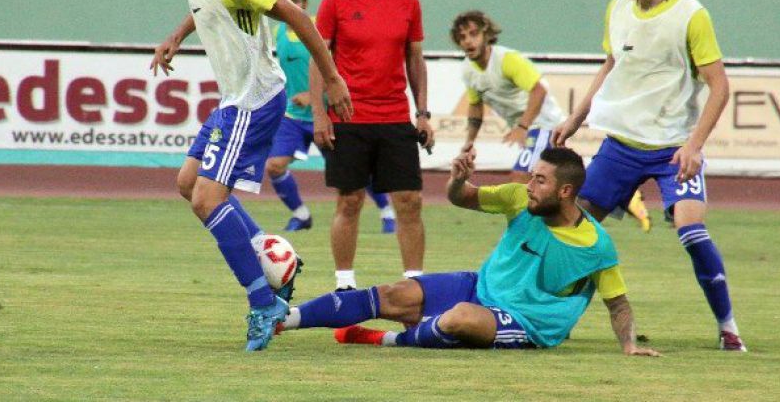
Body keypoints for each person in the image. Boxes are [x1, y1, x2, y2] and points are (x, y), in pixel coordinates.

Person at [278, 147, 660, 356]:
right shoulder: (517, 198)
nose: (529, 186)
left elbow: (619, 304)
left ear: (565, 191)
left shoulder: (596, 246)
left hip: (525, 323)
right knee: (394, 294)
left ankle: (384, 340)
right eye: (531, 176)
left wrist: (628, 346)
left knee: (459, 319)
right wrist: (458, 181)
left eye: (540, 181)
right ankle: (283, 320)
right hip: (479, 287)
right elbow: (463, 198)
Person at [150, 0, 351, 351]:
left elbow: (297, 16)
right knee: (188, 184)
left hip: (254, 101)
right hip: (233, 101)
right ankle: (277, 261)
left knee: (208, 201)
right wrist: (175, 36)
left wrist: (332, 78)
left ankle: (263, 303)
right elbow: (205, 8)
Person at [551, 0, 746, 351]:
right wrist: (578, 115)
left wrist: (693, 145)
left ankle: (728, 327)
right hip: (621, 146)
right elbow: (611, 65)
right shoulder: (616, 9)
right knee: (577, 229)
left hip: (673, 150)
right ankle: (558, 320)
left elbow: (719, 86)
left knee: (691, 230)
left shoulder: (691, 15)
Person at [451, 10, 652, 232]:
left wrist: (522, 126)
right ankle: (625, 195)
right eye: (462, 37)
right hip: (532, 129)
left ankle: (525, 236)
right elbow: (475, 105)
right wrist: (469, 141)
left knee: (521, 178)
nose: (468, 41)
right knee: (560, 180)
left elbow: (538, 91)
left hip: (544, 125)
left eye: (473, 34)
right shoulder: (467, 70)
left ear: (486, 34)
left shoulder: (507, 60)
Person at [309, 0, 434, 291]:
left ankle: (414, 284)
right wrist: (320, 115)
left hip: (394, 117)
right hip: (348, 117)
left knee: (409, 200)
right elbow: (318, 57)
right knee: (349, 201)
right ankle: (345, 284)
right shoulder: (336, 0)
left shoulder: (409, 2)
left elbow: (415, 60)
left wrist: (423, 113)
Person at [267, 0, 396, 233]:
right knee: (274, 166)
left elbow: (341, 69)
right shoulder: (277, 32)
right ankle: (301, 216)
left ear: (305, 4)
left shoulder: (319, 28)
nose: (289, 6)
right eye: (284, 1)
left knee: (355, 169)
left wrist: (314, 93)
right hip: (293, 116)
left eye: (295, 0)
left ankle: (388, 212)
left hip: (328, 113)